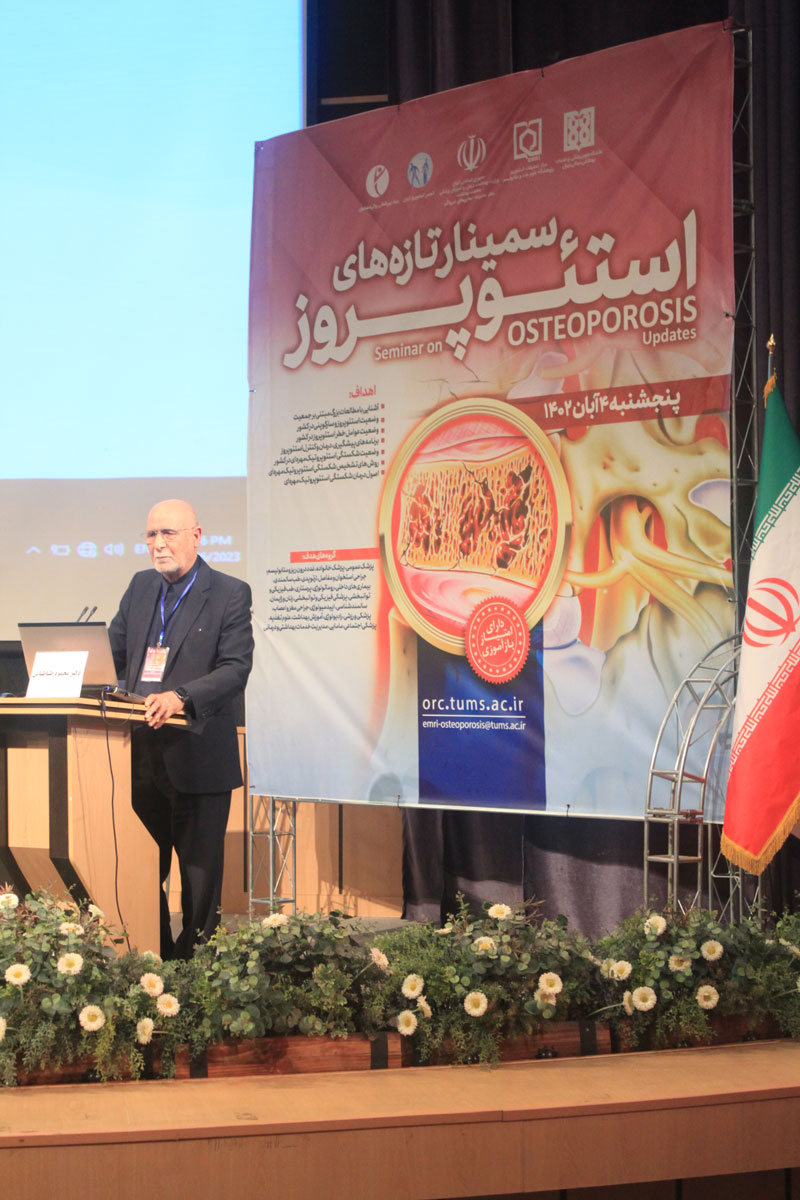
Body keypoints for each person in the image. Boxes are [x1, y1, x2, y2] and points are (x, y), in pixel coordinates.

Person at [109, 499, 253, 958]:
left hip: (198, 755)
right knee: (139, 867)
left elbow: (235, 669)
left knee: (199, 878)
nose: (158, 544)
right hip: (141, 756)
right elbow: (114, 652)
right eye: (151, 534)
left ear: (196, 535)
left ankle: (197, 972)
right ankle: (153, 957)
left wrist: (181, 697)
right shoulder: (140, 587)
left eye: (168, 533)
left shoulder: (229, 592)